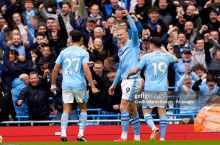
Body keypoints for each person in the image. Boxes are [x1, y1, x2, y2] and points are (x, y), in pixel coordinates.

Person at [51, 30, 99, 142]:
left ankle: (63, 134)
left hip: (66, 84)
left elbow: (55, 69)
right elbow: (86, 69)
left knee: (66, 109)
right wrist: (92, 86)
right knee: (83, 108)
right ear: (81, 39)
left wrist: (53, 84)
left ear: (71, 39)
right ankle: (80, 135)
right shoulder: (83, 52)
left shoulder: (64, 52)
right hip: (80, 85)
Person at [127, 37, 178, 141]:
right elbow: (176, 59)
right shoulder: (166, 56)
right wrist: (164, 50)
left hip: (150, 89)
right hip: (162, 89)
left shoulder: (147, 57)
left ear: (152, 44)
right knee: (162, 113)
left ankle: (154, 128)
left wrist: (128, 74)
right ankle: (162, 139)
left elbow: (136, 69)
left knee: (146, 113)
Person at [108, 10, 143, 142]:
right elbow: (120, 69)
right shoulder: (120, 50)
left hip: (133, 79)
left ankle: (123, 137)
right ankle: (137, 138)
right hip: (125, 81)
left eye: (121, 34)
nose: (119, 37)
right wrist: (113, 84)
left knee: (123, 107)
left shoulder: (134, 43)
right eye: (117, 36)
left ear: (127, 34)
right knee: (133, 110)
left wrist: (127, 15)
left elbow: (134, 29)